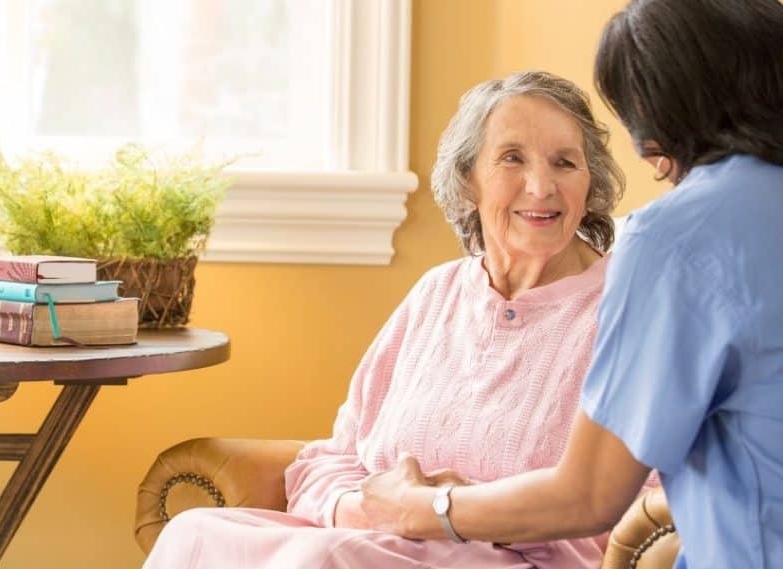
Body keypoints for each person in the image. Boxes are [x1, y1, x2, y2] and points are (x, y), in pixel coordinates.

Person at [143, 70, 631, 568]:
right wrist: (367, 511)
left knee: (322, 559)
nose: (541, 186)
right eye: (512, 158)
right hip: (368, 540)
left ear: (589, 183)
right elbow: (336, 456)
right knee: (195, 532)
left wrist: (444, 515)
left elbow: (633, 506)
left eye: (565, 162)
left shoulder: (627, 309)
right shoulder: (437, 293)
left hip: (516, 559)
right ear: (468, 182)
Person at [355, 2, 783, 569]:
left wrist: (421, 508)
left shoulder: (674, 239)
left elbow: (592, 494)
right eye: (512, 158)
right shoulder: (437, 294)